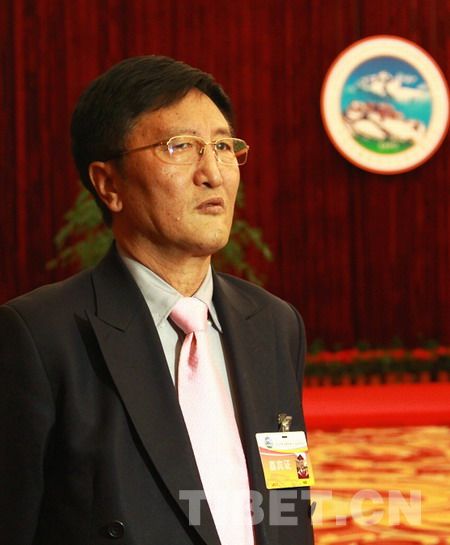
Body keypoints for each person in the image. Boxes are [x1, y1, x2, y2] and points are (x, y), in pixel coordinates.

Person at [0, 56, 314, 545]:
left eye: (223, 146)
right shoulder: (39, 337)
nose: (213, 173)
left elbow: (286, 499)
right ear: (109, 185)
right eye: (181, 146)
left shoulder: (274, 324)